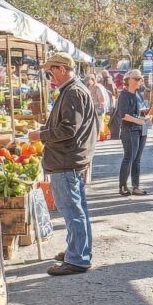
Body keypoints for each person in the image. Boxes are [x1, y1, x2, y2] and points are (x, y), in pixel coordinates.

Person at [28, 53, 98, 276]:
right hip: (70, 160)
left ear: (61, 69)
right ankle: (77, 250)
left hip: (67, 160)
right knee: (77, 210)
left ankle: (77, 258)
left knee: (72, 211)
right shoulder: (74, 90)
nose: (50, 75)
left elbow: (69, 130)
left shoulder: (73, 92)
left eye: (51, 70)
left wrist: (40, 135)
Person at [113, 69, 150, 196]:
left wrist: (148, 112)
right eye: (137, 78)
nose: (140, 81)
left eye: (140, 78)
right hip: (129, 130)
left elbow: (139, 109)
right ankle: (122, 186)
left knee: (137, 160)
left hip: (141, 130)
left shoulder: (138, 94)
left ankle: (136, 186)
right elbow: (123, 115)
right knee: (129, 158)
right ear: (129, 80)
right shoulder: (124, 95)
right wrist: (138, 121)